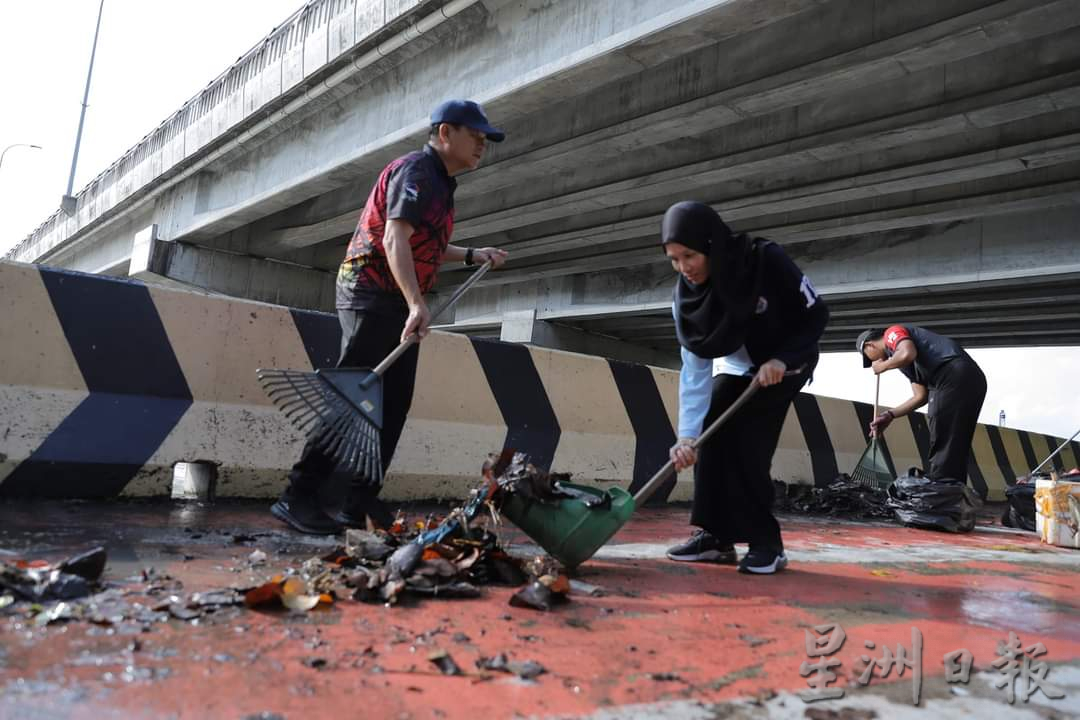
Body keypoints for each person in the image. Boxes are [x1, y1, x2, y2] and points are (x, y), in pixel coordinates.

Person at [271, 100, 509, 534]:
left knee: (394, 401)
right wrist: (418, 303)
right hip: (370, 292)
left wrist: (474, 254)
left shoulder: (441, 183)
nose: (482, 146)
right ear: (445, 133)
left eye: (485, 140)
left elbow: (427, 241)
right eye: (475, 136)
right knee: (351, 397)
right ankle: (297, 496)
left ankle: (358, 501)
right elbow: (395, 239)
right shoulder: (416, 171)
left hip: (396, 299)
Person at [662, 202, 829, 574]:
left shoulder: (764, 260)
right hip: (742, 366)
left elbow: (817, 314)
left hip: (788, 360)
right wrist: (687, 436)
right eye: (674, 260)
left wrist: (783, 359)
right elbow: (695, 369)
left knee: (748, 444)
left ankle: (767, 543)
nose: (683, 268)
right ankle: (715, 538)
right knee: (709, 433)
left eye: (689, 255)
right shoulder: (685, 301)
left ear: (710, 243)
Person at [856, 325, 986, 483]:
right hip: (972, 379)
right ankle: (954, 495)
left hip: (951, 375)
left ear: (870, 345)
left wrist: (882, 366)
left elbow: (907, 353)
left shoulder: (892, 332)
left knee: (943, 439)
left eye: (868, 357)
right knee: (954, 444)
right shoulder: (905, 363)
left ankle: (942, 494)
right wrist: (890, 415)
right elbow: (920, 396)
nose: (872, 362)